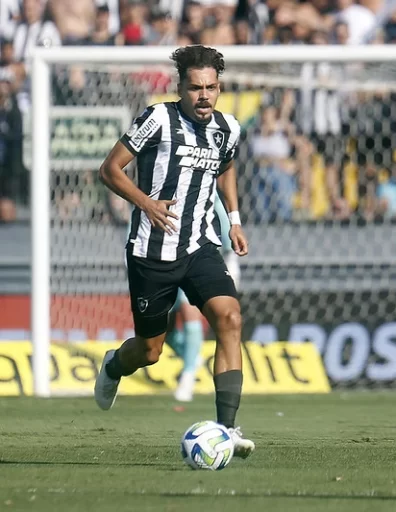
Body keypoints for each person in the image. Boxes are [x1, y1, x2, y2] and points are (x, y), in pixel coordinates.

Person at [95, 44, 254, 459]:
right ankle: (114, 365)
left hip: (200, 246)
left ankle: (227, 429)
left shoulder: (228, 128)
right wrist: (146, 203)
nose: (204, 96)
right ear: (180, 88)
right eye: (196, 88)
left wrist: (233, 218)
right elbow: (110, 169)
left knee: (230, 317)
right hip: (151, 250)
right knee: (149, 352)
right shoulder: (157, 119)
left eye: (212, 87)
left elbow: (227, 166)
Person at [164, 192, 241, 403]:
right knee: (158, 332)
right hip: (159, 256)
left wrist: (230, 254)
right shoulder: (157, 174)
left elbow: (219, 207)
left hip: (197, 254)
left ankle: (188, 376)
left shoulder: (201, 177)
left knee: (189, 309)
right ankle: (190, 357)